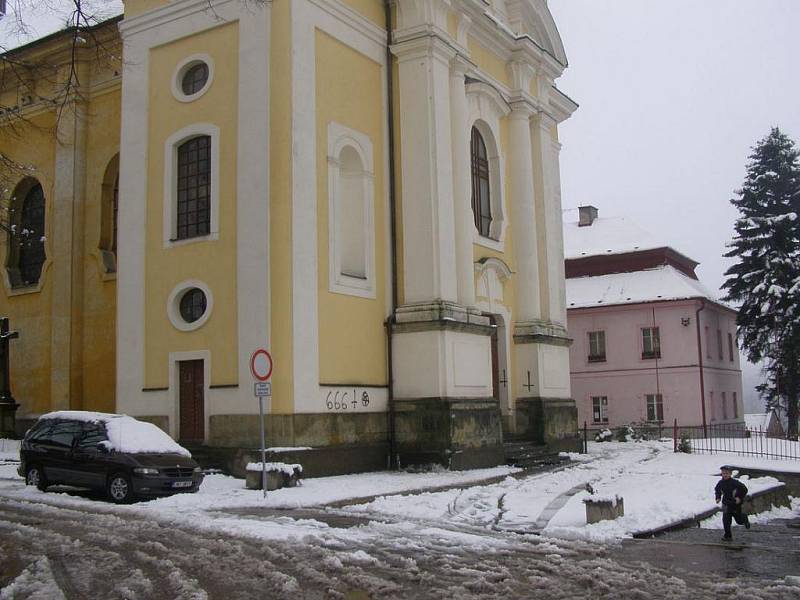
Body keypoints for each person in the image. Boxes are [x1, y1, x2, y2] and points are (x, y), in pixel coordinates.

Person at [715, 465, 750, 541]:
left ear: (730, 474)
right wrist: (718, 497)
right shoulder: (721, 483)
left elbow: (744, 489)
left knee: (739, 521)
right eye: (723, 473)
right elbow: (717, 490)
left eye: (727, 473)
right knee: (726, 521)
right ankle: (728, 535)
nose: (725, 475)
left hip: (735, 504)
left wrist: (739, 497)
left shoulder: (735, 483)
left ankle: (744, 518)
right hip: (726, 504)